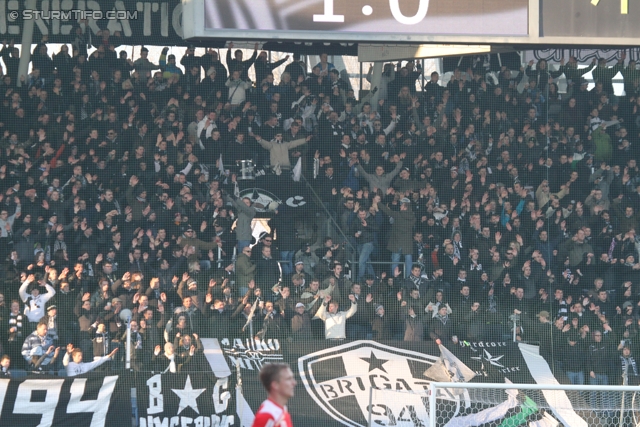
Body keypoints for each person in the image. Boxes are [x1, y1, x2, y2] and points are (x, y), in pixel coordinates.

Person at [252, 362, 296, 427]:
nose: (294, 383)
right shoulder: (267, 415)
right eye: (288, 379)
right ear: (275, 385)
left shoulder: (281, 409)